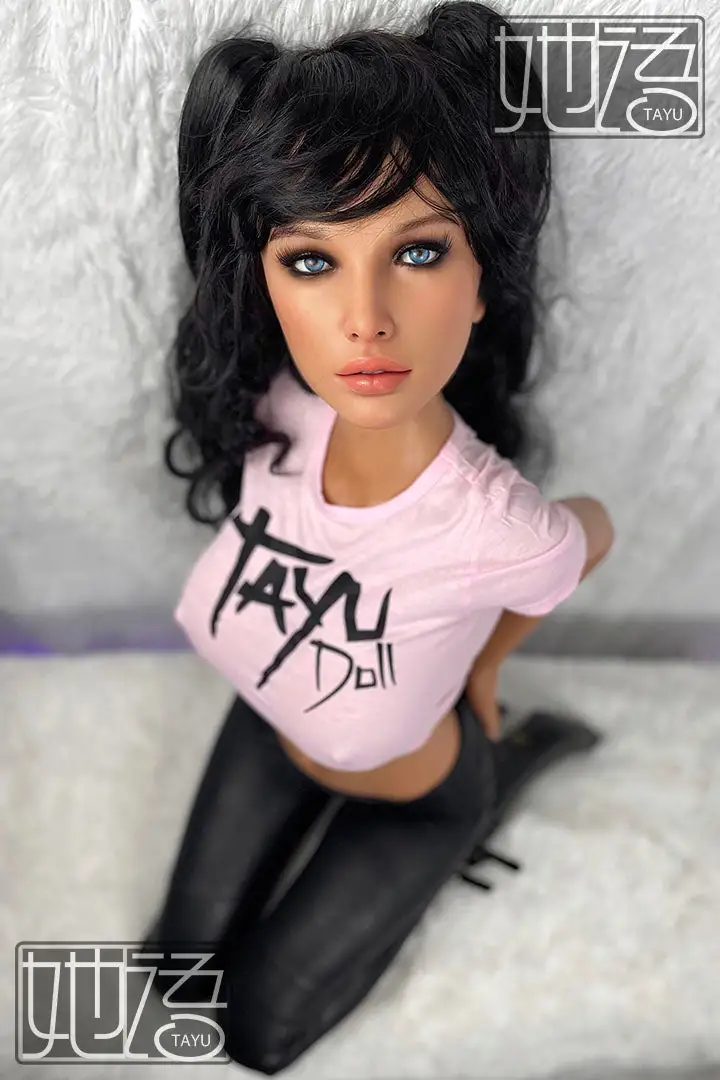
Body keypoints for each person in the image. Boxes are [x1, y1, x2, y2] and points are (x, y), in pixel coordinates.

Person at [145, 1, 615, 1072]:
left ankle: (501, 773)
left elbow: (584, 539)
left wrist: (483, 672)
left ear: (482, 275)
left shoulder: (496, 520)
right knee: (169, 974)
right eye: (312, 262)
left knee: (257, 1038)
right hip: (272, 717)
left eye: (417, 250)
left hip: (411, 791)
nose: (365, 318)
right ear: (266, 281)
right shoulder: (275, 414)